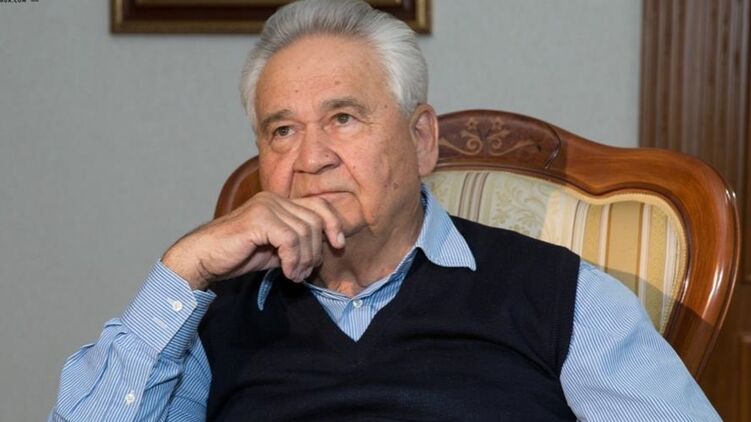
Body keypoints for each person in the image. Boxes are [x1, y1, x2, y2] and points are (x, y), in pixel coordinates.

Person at [49, 0, 720, 420]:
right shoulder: (216, 315)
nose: (310, 157)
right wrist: (182, 268)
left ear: (421, 139)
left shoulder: (556, 296)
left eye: (343, 118)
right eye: (282, 130)